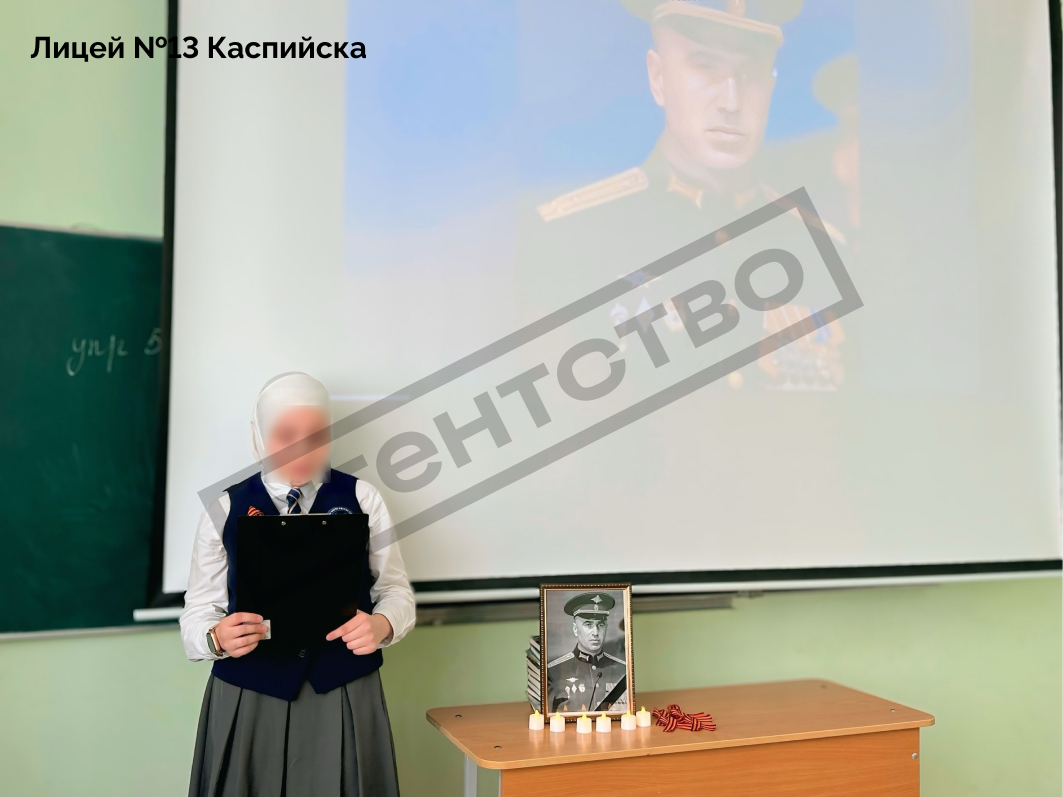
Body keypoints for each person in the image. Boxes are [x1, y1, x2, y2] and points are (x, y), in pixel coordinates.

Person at [180, 372, 415, 797]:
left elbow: (396, 592)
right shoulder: (224, 508)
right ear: (258, 436)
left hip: (345, 689)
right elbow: (198, 613)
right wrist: (215, 638)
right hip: (249, 692)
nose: (301, 450)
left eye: (317, 436)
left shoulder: (363, 498)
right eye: (285, 435)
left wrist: (383, 625)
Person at [546, 592, 628, 713]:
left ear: (606, 628)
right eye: (588, 625)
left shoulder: (622, 669)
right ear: (575, 629)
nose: (595, 632)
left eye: (600, 625)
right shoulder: (554, 671)